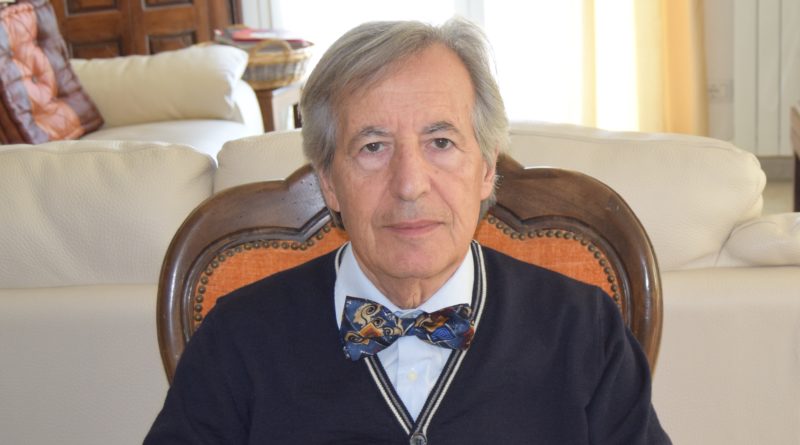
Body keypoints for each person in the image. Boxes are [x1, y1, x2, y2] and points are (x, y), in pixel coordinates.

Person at [145, 18, 671, 444]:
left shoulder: (583, 330)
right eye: (373, 147)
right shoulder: (238, 337)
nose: (409, 185)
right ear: (329, 184)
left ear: (486, 169)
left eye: (441, 142)